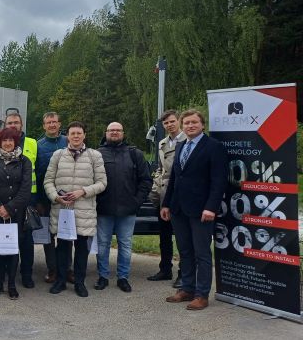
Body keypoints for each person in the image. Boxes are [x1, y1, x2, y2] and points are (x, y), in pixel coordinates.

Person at [162, 109, 227, 311]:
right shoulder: (181, 146)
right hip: (178, 209)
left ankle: (201, 295)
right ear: (182, 126)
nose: (190, 126)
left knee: (202, 253)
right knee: (185, 251)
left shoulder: (213, 147)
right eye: (187, 123)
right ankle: (187, 289)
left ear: (202, 125)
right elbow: (174, 178)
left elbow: (219, 181)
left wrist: (211, 207)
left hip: (201, 210)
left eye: (194, 122)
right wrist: (166, 204)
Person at [44, 121, 107, 298]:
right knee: (62, 248)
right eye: (72, 133)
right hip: (62, 210)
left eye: (79, 133)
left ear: (84, 135)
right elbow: (48, 181)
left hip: (83, 211)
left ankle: (79, 283)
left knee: (81, 249)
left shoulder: (95, 156)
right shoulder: (58, 155)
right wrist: (55, 196)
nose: (76, 136)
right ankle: (60, 281)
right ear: (68, 136)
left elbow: (102, 183)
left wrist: (83, 191)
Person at [94, 122, 152, 292]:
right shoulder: (97, 154)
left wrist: (136, 201)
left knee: (125, 245)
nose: (114, 132)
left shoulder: (135, 153)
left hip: (128, 210)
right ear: (106, 133)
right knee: (102, 245)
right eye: (111, 130)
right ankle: (103, 276)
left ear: (123, 133)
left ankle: (123, 277)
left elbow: (146, 180)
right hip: (103, 209)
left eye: (118, 130)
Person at [0, 126, 32, 300]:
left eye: (11, 140)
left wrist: (9, 208)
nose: (8, 143)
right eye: (5, 140)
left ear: (15, 142)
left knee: (13, 249)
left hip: (15, 212)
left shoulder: (24, 161)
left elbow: (25, 189)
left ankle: (11, 284)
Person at [0, 111, 38, 288]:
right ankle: (1, 276)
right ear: (5, 125)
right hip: (0, 203)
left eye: (16, 122)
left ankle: (26, 274)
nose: (13, 125)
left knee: (26, 241)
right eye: (10, 123)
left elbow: (39, 170)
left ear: (21, 124)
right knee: (3, 240)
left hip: (27, 199)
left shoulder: (32, 143)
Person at [148, 110, 186, 287]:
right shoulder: (162, 143)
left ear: (179, 121)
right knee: (164, 236)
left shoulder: (187, 141)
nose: (169, 125)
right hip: (163, 195)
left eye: (172, 121)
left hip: (180, 194)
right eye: (166, 123)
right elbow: (160, 168)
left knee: (182, 237)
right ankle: (165, 269)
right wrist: (156, 186)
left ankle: (184, 273)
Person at [34, 111, 68, 284]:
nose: (52, 125)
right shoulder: (38, 146)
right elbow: (35, 174)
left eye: (54, 122)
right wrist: (38, 200)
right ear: (44, 126)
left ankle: (66, 269)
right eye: (49, 122)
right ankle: (52, 269)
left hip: (66, 197)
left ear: (59, 124)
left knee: (66, 234)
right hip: (45, 198)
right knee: (48, 236)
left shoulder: (68, 141)